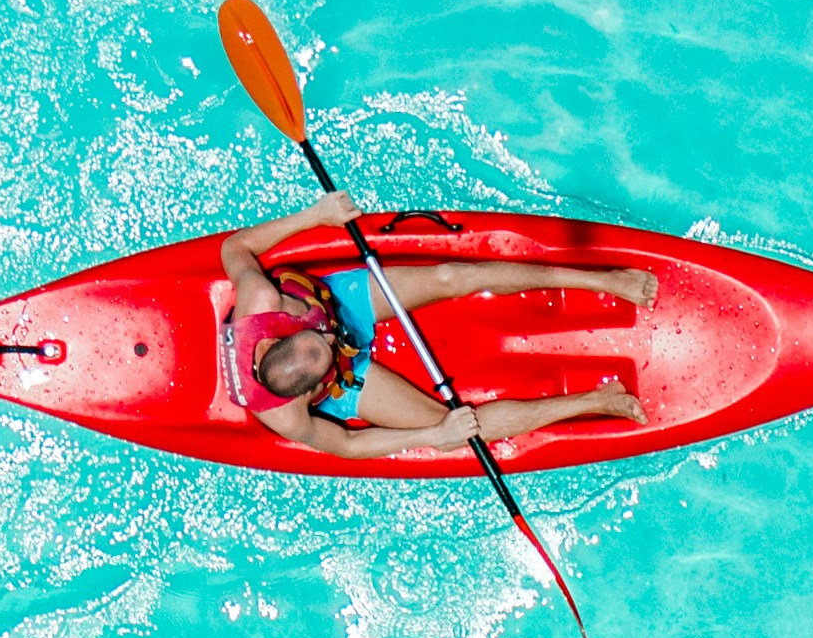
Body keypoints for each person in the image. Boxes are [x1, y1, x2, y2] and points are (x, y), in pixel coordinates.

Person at [222, 193, 651, 459]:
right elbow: (348, 446)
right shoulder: (286, 417)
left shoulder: (260, 301)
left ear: (277, 338)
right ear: (308, 392)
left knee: (450, 276)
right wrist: (433, 434)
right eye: (329, 347)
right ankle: (599, 400)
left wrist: (316, 215)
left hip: (336, 301)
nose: (333, 336)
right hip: (348, 382)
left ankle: (604, 280)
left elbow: (234, 247)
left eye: (318, 335)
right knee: (460, 427)